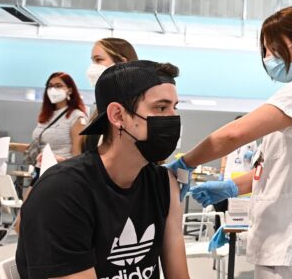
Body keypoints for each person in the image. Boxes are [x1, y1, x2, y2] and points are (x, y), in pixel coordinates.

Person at [168, 5, 292, 278]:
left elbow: (234, 134)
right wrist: (229, 187)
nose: (267, 58)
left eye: (274, 48)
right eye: (264, 51)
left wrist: (186, 162)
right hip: (280, 242)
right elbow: (267, 171)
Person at [16, 60, 189, 279]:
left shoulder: (164, 183)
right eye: (161, 108)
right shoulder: (62, 192)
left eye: (175, 107)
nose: (173, 118)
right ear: (117, 115)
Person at [29, 72, 88, 184]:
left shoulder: (76, 116)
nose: (53, 89)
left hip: (61, 172)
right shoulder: (46, 116)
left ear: (70, 90)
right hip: (40, 170)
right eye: (50, 86)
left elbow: (78, 154)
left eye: (58, 86)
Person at [83, 37, 139, 152]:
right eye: (93, 61)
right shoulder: (104, 105)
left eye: (98, 60)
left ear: (123, 63)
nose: (92, 67)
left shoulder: (135, 107)